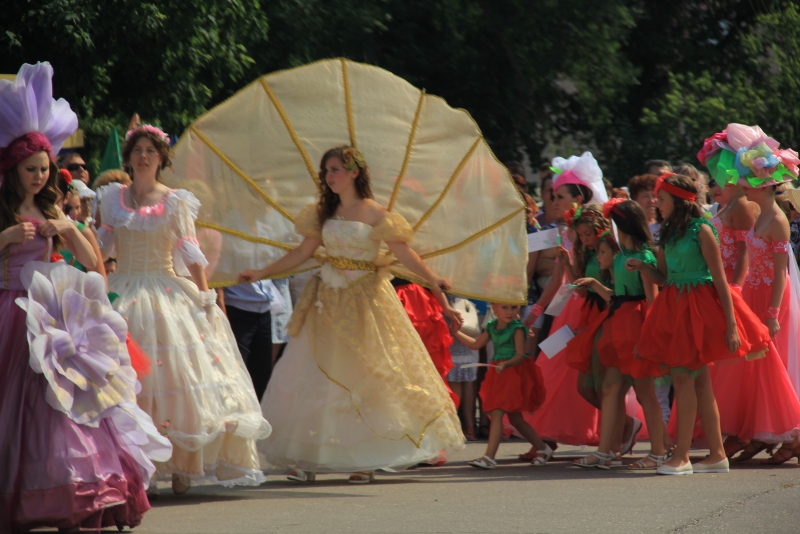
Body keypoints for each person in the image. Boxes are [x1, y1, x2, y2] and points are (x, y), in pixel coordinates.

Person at [0, 61, 169, 533]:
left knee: (66, 408)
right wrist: (5, 236)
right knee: (18, 411)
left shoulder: (54, 206)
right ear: (13, 169)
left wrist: (68, 227)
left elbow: (94, 263)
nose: (38, 176)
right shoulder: (3, 208)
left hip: (51, 315)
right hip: (10, 312)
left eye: (44, 169)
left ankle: (79, 495)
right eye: (30, 170)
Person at [242, 146, 464, 484]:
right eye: (326, 171)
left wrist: (435, 283)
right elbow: (302, 252)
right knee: (314, 372)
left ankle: (366, 459)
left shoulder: (376, 213)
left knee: (367, 375)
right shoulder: (322, 213)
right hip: (327, 301)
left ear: (355, 172)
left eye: (335, 170)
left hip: (366, 302)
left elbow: (404, 253)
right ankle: (308, 457)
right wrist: (261, 272)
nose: (329, 176)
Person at [97, 124, 271, 494]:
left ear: (161, 159)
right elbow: (102, 249)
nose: (144, 156)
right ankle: (133, 462)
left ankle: (182, 463)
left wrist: (205, 295)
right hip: (123, 286)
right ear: (128, 157)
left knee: (177, 379)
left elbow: (191, 253)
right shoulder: (112, 199)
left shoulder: (175, 200)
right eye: (138, 150)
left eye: (151, 151)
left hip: (163, 288)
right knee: (131, 380)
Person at [631, 173, 771, 475]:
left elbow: (720, 279)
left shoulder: (702, 229)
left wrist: (731, 325)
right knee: (700, 385)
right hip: (675, 306)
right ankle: (718, 454)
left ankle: (681, 457)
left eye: (663, 199)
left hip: (700, 308)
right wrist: (644, 266)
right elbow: (665, 279)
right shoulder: (668, 232)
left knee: (684, 379)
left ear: (679, 201)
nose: (657, 204)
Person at [567, 200, 666, 469]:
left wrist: (646, 338)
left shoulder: (643, 257)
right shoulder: (621, 257)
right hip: (619, 323)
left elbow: (651, 299)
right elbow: (617, 296)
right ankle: (605, 451)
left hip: (635, 327)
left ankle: (658, 452)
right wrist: (595, 284)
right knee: (610, 388)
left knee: (645, 392)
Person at [452, 303, 549, 469]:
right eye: (505, 307)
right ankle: (542, 448)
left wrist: (506, 364)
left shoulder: (518, 329)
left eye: (514, 307)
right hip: (499, 372)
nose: (510, 312)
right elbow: (476, 345)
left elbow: (520, 355)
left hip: (513, 373)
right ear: (494, 308)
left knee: (497, 412)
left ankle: (489, 457)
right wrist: (456, 332)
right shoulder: (491, 326)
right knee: (515, 418)